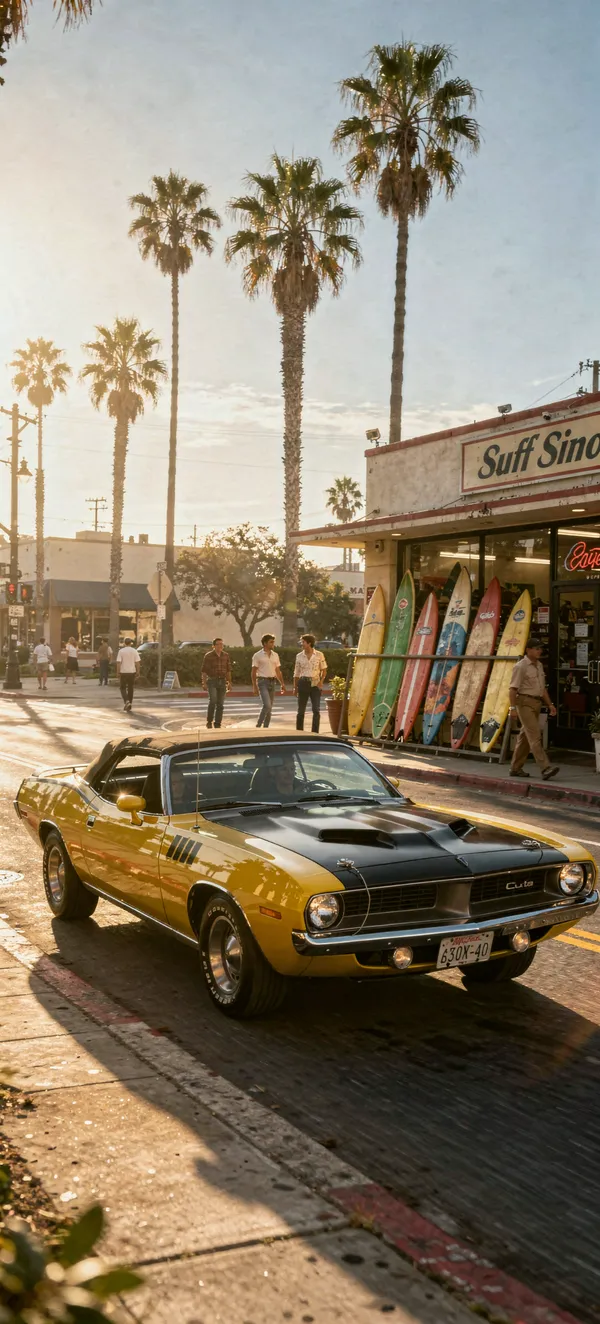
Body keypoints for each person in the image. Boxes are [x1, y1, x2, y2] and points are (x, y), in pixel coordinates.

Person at [509, 636, 559, 780]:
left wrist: (550, 704)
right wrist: (512, 709)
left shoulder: (539, 665)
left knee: (525, 737)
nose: (539, 651)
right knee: (535, 736)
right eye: (536, 649)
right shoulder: (521, 666)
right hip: (524, 702)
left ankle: (515, 768)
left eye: (540, 649)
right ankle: (545, 768)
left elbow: (542, 689)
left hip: (536, 703)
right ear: (528, 650)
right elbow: (512, 689)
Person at [293, 634, 327, 733]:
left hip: (315, 684)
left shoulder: (319, 655)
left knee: (316, 710)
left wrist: (321, 681)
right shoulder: (299, 656)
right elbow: (296, 673)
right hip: (303, 682)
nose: (301, 644)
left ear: (309, 643)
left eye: (303, 642)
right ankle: (299, 732)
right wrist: (295, 687)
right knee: (301, 710)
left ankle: (315, 732)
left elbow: (324, 670)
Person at [251, 634, 286, 728]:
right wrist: (254, 686)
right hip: (262, 682)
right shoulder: (257, 655)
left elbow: (278, 671)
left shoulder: (275, 655)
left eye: (273, 642)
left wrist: (282, 683)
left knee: (269, 709)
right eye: (271, 642)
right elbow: (253, 672)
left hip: (272, 682)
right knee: (267, 705)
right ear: (265, 643)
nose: (273, 644)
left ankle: (266, 727)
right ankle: (258, 725)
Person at [201, 637, 231, 729]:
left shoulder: (225, 655)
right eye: (218, 644)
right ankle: (209, 721)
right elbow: (204, 670)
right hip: (212, 680)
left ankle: (218, 723)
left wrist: (229, 682)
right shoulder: (208, 655)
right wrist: (204, 683)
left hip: (222, 681)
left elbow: (228, 670)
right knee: (213, 701)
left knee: (220, 704)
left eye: (221, 644)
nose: (220, 646)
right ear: (213, 646)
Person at [116, 637, 140, 712]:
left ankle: (126, 701)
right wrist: (138, 671)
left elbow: (118, 663)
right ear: (130, 643)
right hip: (132, 671)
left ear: (124, 643)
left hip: (123, 672)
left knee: (122, 688)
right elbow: (137, 662)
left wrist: (118, 672)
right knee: (130, 688)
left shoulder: (121, 651)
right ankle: (130, 703)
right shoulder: (134, 651)